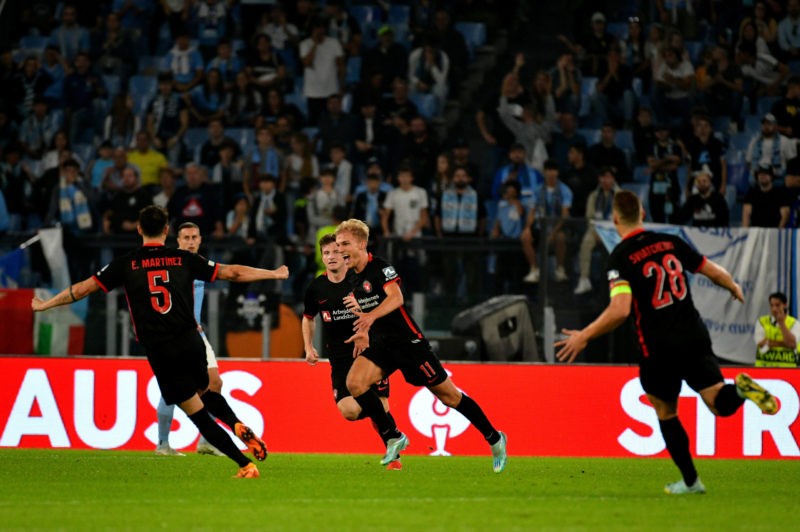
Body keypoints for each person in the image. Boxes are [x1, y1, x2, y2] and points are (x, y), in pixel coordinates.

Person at [31, 205, 290, 479]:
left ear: (139, 229)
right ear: (167, 231)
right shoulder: (184, 259)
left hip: (160, 349)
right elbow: (233, 273)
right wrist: (273, 274)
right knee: (207, 392)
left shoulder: (126, 263)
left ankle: (245, 465)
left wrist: (46, 304)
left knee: (197, 413)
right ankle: (236, 424)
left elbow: (82, 289)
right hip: (192, 341)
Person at [555, 190, 778, 495]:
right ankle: (740, 389)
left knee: (666, 410)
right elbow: (712, 271)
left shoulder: (620, 257)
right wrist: (733, 286)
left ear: (616, 219)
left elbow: (620, 310)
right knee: (718, 402)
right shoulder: (670, 242)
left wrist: (585, 334)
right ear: (643, 214)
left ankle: (691, 482)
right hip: (694, 333)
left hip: (659, 344)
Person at [335, 218, 508, 472]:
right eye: (338, 245)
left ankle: (495, 438)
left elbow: (396, 298)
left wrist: (370, 316)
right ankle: (393, 436)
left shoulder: (381, 267)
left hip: (409, 344)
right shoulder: (352, 280)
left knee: (450, 396)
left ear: (362, 244)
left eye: (345, 244)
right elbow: (366, 311)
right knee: (355, 383)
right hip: (383, 345)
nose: (340, 250)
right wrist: (364, 329)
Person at [302, 234, 401, 470]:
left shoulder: (361, 280)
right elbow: (308, 318)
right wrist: (308, 346)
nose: (331, 257)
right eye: (326, 253)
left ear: (344, 254)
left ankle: (394, 457)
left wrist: (364, 307)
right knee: (349, 411)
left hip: (370, 352)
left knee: (383, 405)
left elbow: (384, 306)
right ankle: (389, 427)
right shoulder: (317, 287)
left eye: (336, 251)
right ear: (322, 258)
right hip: (340, 359)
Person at [155, 222, 228, 456]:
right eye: (185, 237)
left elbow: (230, 272)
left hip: (196, 334)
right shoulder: (170, 264)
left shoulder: (201, 265)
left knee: (214, 384)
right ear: (177, 241)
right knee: (173, 389)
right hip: (173, 335)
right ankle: (162, 444)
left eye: (194, 237)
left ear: (200, 239)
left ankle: (206, 441)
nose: (190, 241)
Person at [574, 167, 620, 295]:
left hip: (614, 232)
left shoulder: (620, 196)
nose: (605, 180)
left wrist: (608, 234)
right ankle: (584, 279)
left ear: (613, 179)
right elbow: (589, 218)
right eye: (603, 177)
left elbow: (621, 219)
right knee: (585, 243)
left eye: (608, 177)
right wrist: (597, 233)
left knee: (617, 249)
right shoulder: (594, 196)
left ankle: (616, 282)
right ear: (599, 179)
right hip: (596, 230)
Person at [754, 292, 799, 367]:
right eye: (772, 305)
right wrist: (783, 343)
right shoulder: (761, 322)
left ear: (785, 305)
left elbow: (791, 344)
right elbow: (760, 343)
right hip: (763, 368)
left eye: (778, 305)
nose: (774, 309)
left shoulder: (794, 323)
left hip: (786, 369)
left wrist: (781, 323)